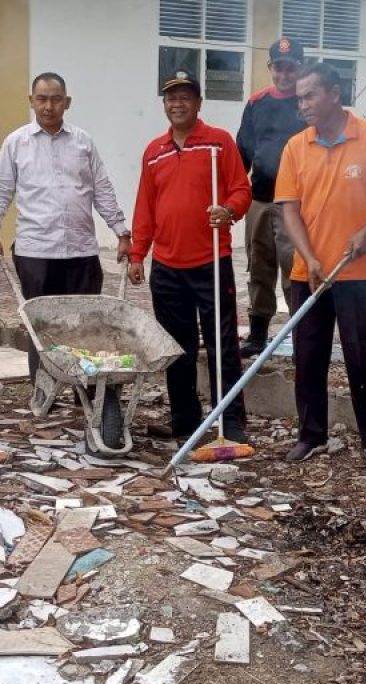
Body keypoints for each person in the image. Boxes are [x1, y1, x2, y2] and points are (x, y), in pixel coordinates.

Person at [274, 62, 366, 469]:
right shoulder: (296, 147)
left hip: (359, 272)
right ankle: (311, 435)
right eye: (299, 98)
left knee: (364, 356)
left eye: (310, 96)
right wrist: (311, 258)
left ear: (334, 93)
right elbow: (289, 211)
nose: (302, 105)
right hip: (310, 274)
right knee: (308, 356)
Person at [0, 72, 132, 380]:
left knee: (86, 325)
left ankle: (85, 387)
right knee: (41, 327)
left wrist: (121, 231)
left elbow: (101, 188)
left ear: (67, 102)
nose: (48, 106)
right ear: (31, 101)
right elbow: (0, 190)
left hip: (81, 252)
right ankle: (44, 386)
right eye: (42, 99)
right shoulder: (16, 143)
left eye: (56, 99)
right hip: (36, 252)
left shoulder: (83, 142)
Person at [127, 70, 252, 442]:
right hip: (167, 265)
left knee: (222, 343)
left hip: (210, 259)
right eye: (171, 98)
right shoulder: (155, 151)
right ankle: (185, 420)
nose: (177, 104)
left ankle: (230, 421)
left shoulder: (218, 143)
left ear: (198, 103)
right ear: (164, 104)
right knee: (176, 347)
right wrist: (138, 254)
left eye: (185, 97)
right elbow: (145, 207)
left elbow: (242, 190)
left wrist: (228, 210)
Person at [236, 37, 306, 357]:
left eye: (290, 67)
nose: (284, 73)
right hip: (260, 199)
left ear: (300, 68)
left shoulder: (308, 103)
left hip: (296, 203)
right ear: (271, 68)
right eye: (278, 67)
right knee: (259, 266)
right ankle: (257, 334)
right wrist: (235, 196)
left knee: (296, 269)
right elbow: (241, 154)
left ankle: (302, 334)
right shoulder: (256, 103)